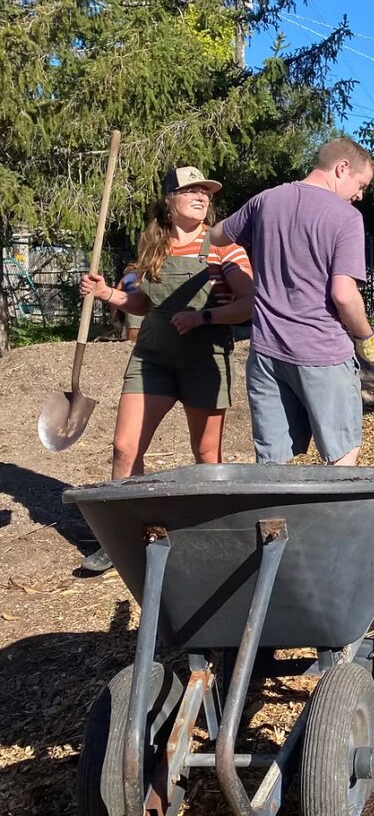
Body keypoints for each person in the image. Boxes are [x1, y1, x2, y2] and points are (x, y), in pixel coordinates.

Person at [79, 167, 254, 572]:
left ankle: (214, 537)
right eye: (190, 190)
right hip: (152, 358)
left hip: (204, 360)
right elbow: (145, 304)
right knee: (125, 448)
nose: (201, 196)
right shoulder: (152, 249)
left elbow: (249, 303)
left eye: (205, 191)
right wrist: (108, 293)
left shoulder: (223, 247)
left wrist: (204, 318)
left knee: (206, 454)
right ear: (169, 202)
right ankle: (124, 539)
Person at [210, 138, 374, 467]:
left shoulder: (265, 201)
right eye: (360, 185)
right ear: (342, 168)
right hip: (322, 353)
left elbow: (218, 235)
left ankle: (277, 520)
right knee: (341, 459)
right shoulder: (345, 217)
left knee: (272, 463)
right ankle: (333, 520)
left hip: (266, 354)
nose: (360, 195)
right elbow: (344, 294)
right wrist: (365, 336)